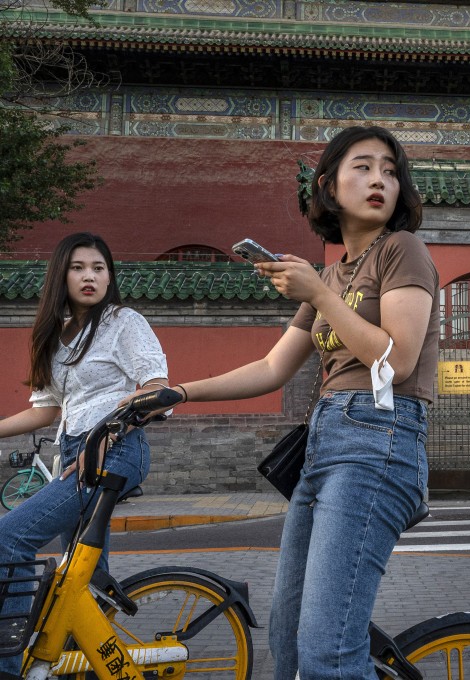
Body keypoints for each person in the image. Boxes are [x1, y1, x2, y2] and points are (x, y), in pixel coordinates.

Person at [166, 126, 439, 679]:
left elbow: (397, 360)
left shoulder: (401, 251)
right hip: (324, 444)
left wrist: (317, 294)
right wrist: (178, 392)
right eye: (362, 167)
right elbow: (272, 368)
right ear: (328, 187)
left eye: (390, 170)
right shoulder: (333, 273)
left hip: (378, 441)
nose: (379, 180)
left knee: (328, 655)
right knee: (288, 642)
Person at [0, 232, 168, 675]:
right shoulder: (55, 337)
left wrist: (105, 437)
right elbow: (46, 411)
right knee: (85, 575)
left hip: (115, 450)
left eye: (98, 268)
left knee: (10, 539)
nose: (90, 276)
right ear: (61, 274)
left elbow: (157, 390)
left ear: (109, 276)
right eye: (78, 268)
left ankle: (7, 665)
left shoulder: (122, 322)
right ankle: (94, 664)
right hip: (76, 452)